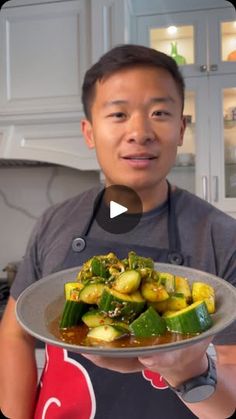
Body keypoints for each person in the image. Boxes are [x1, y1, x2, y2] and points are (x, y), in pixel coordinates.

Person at [0, 44, 236, 419]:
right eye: (119, 113)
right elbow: (15, 333)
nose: (139, 132)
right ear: (89, 132)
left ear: (180, 128)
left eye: (159, 112)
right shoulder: (54, 222)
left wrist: (187, 372)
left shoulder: (222, 236)